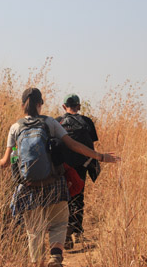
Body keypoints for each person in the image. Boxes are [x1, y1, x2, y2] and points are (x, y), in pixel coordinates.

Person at [0, 88, 119, 267]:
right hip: (54, 185)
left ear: (22, 106)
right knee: (59, 223)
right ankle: (55, 258)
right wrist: (101, 156)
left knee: (34, 231)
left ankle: (39, 263)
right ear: (40, 104)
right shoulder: (50, 123)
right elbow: (73, 145)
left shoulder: (15, 127)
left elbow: (6, 162)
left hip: (28, 187)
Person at [55, 94, 99, 250]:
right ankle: (77, 230)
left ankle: (65, 230)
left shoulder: (57, 121)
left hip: (63, 167)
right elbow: (90, 144)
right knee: (79, 195)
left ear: (64, 106)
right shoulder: (86, 121)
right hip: (82, 165)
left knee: (63, 198)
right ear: (79, 106)